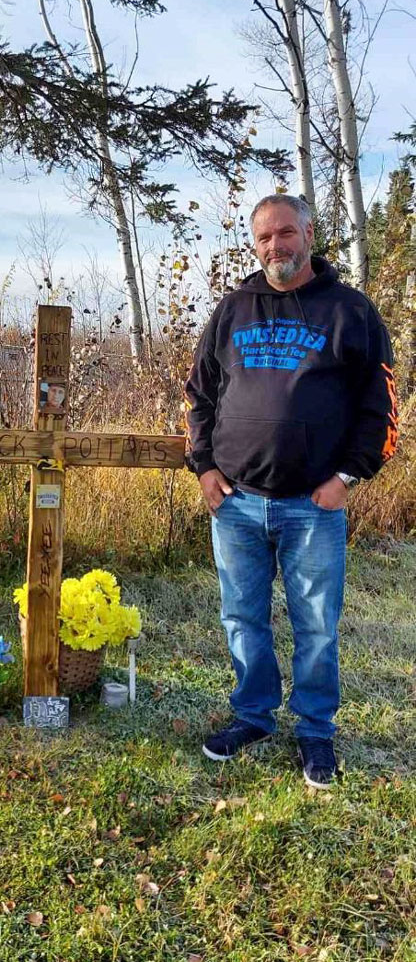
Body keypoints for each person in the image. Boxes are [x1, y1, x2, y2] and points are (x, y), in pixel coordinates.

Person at [184, 194, 398, 788]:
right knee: (242, 616)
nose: (274, 246)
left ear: (309, 234)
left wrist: (346, 478)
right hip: (237, 504)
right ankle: (252, 716)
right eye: (263, 238)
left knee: (317, 625)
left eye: (284, 234)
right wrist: (204, 468)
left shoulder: (350, 312)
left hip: (313, 505)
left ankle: (315, 732)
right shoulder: (233, 309)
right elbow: (198, 396)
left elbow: (381, 410)